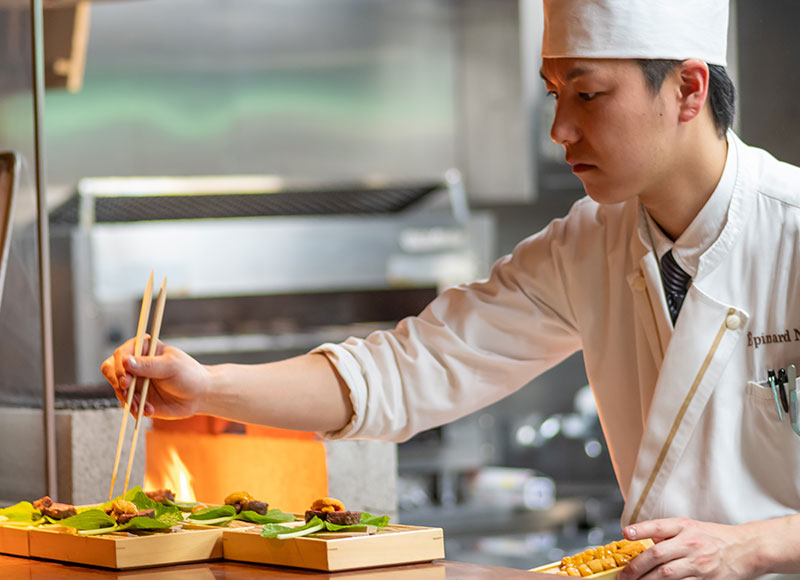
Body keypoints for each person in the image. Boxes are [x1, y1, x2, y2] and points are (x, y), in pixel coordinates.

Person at [103, 0, 800, 578]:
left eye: (588, 94)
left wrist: (752, 545)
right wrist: (207, 387)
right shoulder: (588, 244)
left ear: (688, 89)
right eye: (555, 95)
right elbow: (407, 371)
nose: (560, 129)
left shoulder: (791, 233)